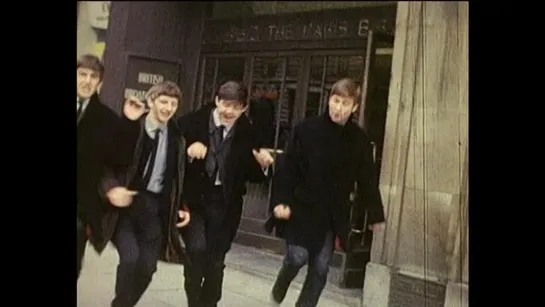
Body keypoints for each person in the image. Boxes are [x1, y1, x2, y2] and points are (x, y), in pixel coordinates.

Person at [265, 78, 386, 307]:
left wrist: (375, 214)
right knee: (296, 257)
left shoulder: (359, 141)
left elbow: (367, 179)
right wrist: (280, 201)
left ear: (355, 107)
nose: (338, 108)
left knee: (320, 269)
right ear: (329, 99)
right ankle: (277, 293)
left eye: (345, 103)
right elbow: (286, 169)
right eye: (335, 100)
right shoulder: (305, 130)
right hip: (302, 207)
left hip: (331, 215)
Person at [178, 80, 274, 307]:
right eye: (225, 104)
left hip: (225, 204)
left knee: (215, 261)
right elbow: (171, 154)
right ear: (217, 101)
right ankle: (194, 300)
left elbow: (251, 174)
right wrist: (187, 151)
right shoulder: (191, 123)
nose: (229, 111)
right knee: (196, 250)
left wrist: (262, 164)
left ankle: (209, 302)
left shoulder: (248, 131)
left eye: (236, 107)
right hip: (193, 201)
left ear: (243, 108)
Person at [99, 81, 190, 307]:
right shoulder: (133, 128)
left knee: (147, 268)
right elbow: (105, 163)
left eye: (173, 103)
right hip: (127, 207)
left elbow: (178, 178)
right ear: (151, 102)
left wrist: (182, 207)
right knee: (130, 260)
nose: (168, 108)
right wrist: (112, 189)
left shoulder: (177, 139)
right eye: (163, 101)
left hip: (155, 210)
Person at [77, 54, 122, 279]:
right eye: (82, 74)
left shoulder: (108, 120)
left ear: (100, 83)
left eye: (93, 76)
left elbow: (115, 163)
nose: (87, 81)